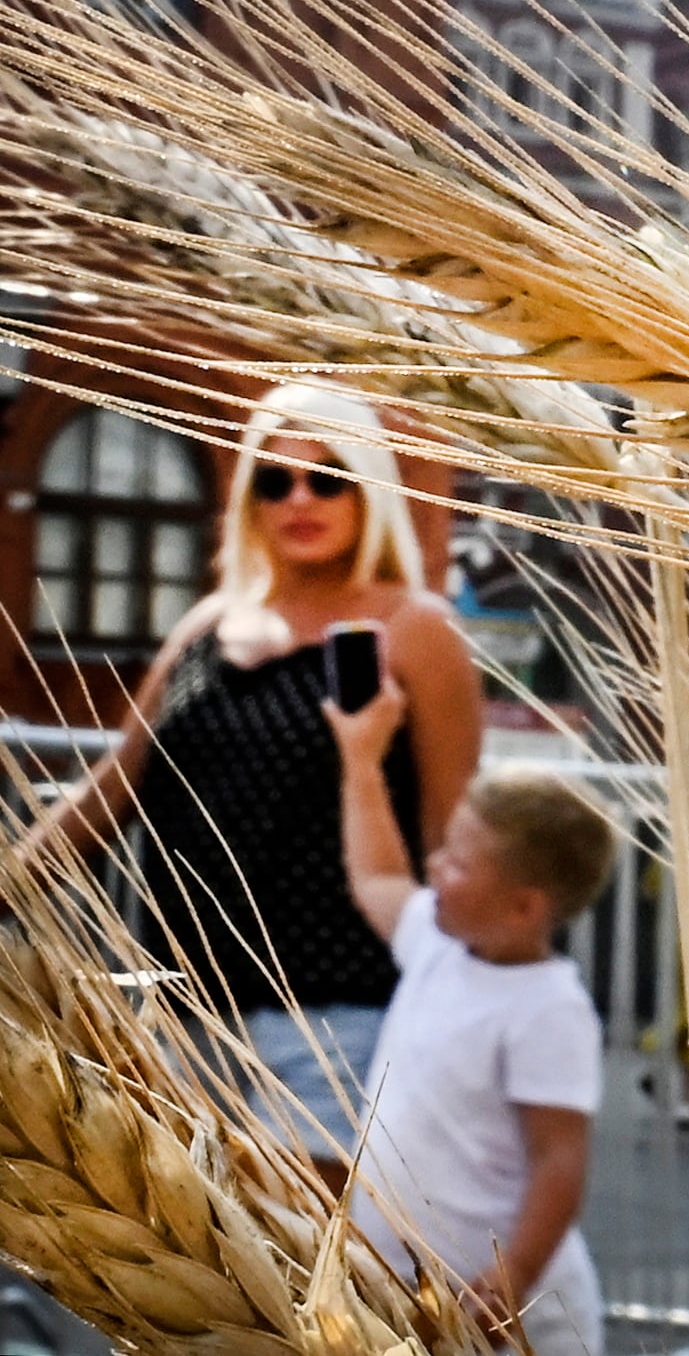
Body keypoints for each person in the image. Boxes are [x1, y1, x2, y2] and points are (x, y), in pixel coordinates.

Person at [7, 385, 483, 1169]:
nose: (301, 497)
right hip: (186, 1007)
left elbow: (449, 832)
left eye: (329, 477)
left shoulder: (415, 629)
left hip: (340, 1008)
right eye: (275, 479)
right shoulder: (207, 627)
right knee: (199, 1272)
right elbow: (107, 794)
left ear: (371, 491)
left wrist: (471, 1001)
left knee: (323, 1270)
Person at [327, 681, 613, 1355]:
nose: (435, 865)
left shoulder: (550, 1009)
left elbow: (559, 1157)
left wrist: (515, 1273)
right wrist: (361, 762)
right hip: (410, 1295)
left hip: (512, 1313)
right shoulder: (434, 938)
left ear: (523, 907)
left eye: (458, 860)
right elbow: (376, 877)